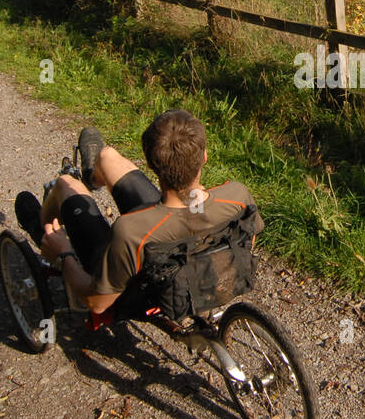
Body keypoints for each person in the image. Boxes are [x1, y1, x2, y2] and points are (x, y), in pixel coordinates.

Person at [14, 110, 262, 319]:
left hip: (140, 289)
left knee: (65, 184)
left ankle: (44, 232)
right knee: (106, 156)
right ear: (204, 157)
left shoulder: (131, 230)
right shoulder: (236, 195)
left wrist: (64, 253)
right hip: (179, 231)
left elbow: (97, 303)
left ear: (152, 164)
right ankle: (93, 176)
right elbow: (247, 241)